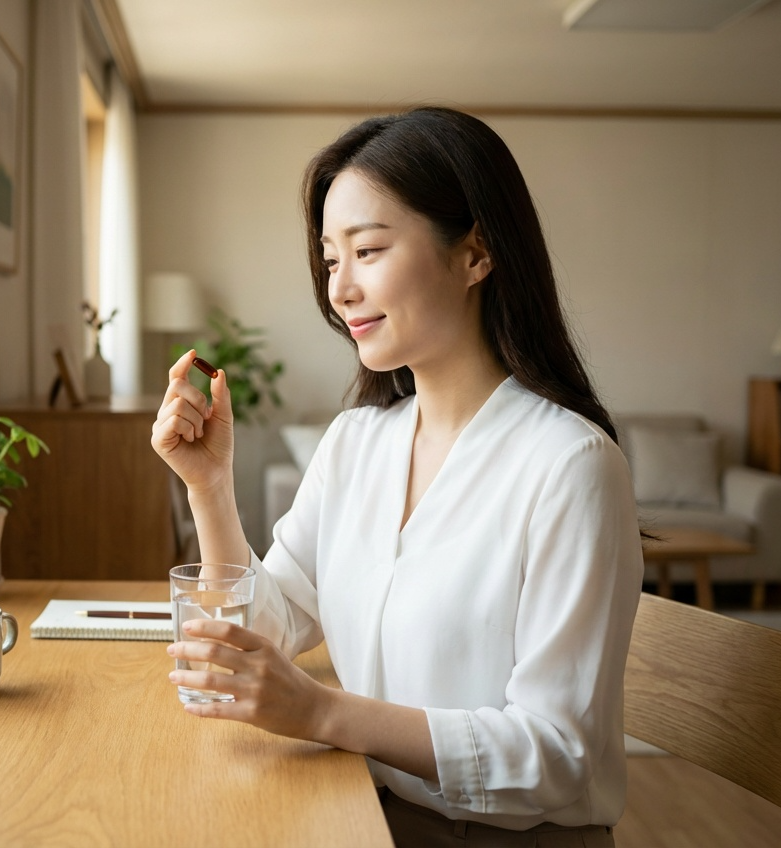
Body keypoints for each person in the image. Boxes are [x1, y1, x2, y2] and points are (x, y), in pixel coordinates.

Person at [150, 106, 642, 847]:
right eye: (329, 260)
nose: (340, 289)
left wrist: (322, 713)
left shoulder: (570, 468)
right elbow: (270, 631)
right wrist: (210, 488)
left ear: (476, 254)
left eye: (368, 250)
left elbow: (559, 756)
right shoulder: (356, 443)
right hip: (360, 812)